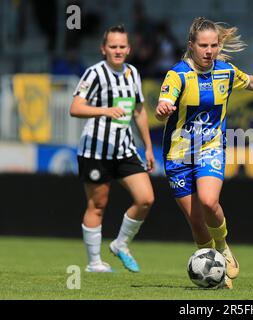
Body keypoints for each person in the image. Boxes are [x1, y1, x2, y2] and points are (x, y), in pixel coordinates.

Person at [155, 17, 253, 288]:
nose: (209, 51)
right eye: (203, 45)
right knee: (196, 221)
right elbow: (165, 100)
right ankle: (216, 272)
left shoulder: (225, 71)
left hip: (210, 148)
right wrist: (162, 108)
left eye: (213, 45)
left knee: (209, 201)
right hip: (178, 156)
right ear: (191, 45)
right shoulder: (177, 75)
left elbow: (252, 81)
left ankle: (223, 248)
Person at [70, 25, 155, 273]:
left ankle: (120, 244)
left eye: (121, 47)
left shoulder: (133, 74)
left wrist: (149, 148)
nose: (117, 51)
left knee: (146, 198)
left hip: (124, 148)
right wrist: (105, 110)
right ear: (103, 49)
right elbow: (75, 108)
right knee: (98, 205)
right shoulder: (94, 74)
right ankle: (94, 262)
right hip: (95, 151)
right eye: (112, 47)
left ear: (128, 49)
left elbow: (138, 111)